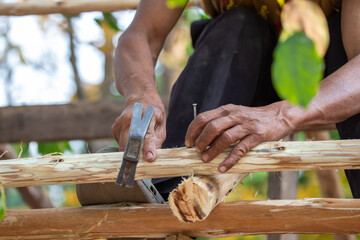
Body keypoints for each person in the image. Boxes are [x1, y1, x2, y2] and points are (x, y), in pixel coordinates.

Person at [108, 0, 360, 201]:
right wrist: (140, 95)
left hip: (329, 74)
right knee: (236, 25)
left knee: (341, 43)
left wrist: (282, 114)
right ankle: (168, 189)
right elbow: (141, 33)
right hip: (244, 61)